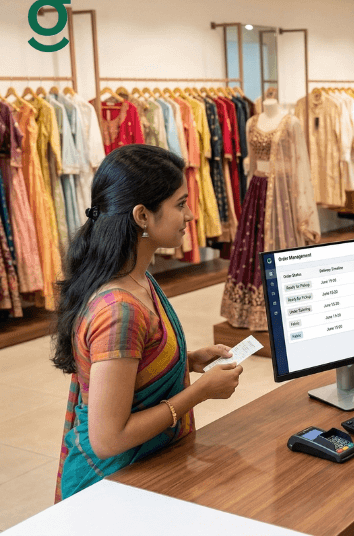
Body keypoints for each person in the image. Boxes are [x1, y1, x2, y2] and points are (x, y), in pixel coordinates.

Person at [51, 144, 244, 502]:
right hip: (113, 488)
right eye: (180, 204)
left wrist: (186, 360)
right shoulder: (118, 312)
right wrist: (199, 393)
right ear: (142, 215)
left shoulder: (138, 277)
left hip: (149, 470)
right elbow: (109, 439)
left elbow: (130, 372)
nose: (190, 215)